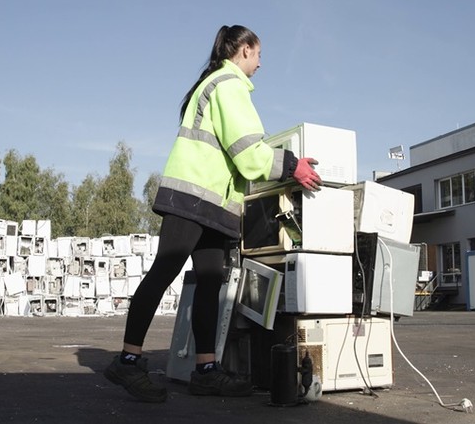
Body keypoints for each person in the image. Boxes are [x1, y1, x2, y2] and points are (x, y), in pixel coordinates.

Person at [104, 24, 322, 403]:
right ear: (245, 50)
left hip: (211, 204)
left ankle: (205, 370)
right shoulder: (228, 85)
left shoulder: (214, 83)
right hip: (193, 196)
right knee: (165, 272)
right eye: (259, 54)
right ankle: (127, 360)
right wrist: (292, 166)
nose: (260, 64)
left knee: (210, 282)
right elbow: (248, 153)